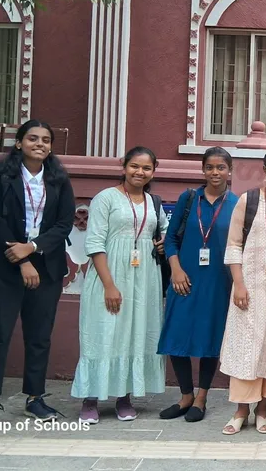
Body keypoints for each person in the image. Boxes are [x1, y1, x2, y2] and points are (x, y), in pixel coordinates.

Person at [0, 120, 75, 424]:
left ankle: (35, 398)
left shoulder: (58, 178)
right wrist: (20, 259)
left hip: (46, 266)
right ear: (19, 143)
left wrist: (31, 249)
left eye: (46, 140)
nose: (40, 144)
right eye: (32, 138)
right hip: (3, 268)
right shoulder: (0, 175)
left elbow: (64, 223)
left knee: (39, 336)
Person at [71, 146, 168, 423]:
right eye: (135, 166)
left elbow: (161, 232)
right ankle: (90, 399)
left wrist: (161, 244)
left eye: (146, 168)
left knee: (134, 333)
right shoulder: (106, 198)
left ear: (153, 171)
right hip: (109, 275)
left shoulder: (153, 202)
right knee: (103, 332)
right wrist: (109, 285)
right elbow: (94, 243)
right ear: (124, 166)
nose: (140, 172)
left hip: (143, 279)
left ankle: (124, 396)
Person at [157, 147, 239, 422]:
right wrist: (176, 270)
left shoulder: (237, 204)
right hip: (185, 278)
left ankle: (201, 397)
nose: (215, 172)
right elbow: (170, 240)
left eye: (221, 167)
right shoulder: (189, 198)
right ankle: (185, 396)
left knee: (209, 338)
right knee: (176, 335)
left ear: (230, 170)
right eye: (210, 167)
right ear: (203, 170)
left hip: (219, 282)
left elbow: (241, 246)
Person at [219, 147, 266, 435]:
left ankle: (263, 410)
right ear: (264, 169)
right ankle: (240, 410)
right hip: (248, 289)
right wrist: (239, 284)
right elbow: (234, 245)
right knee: (245, 347)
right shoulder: (248, 200)